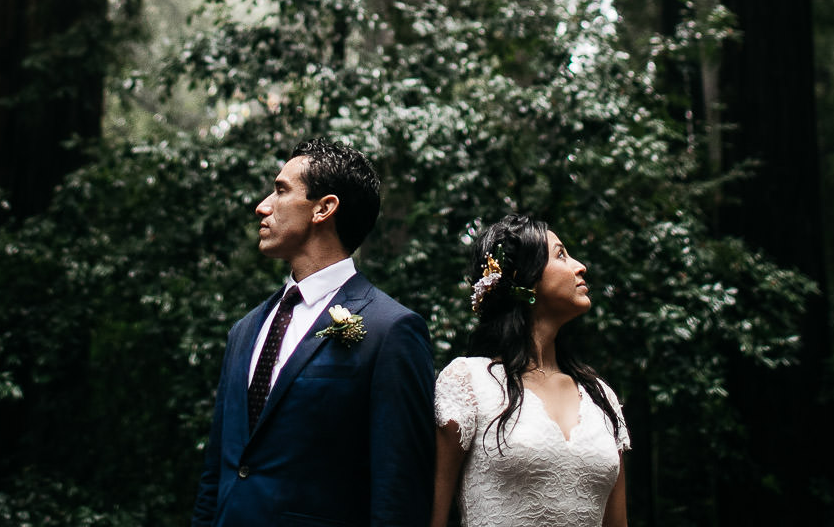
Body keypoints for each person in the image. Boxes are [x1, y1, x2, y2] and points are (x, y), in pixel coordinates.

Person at [192, 138, 435, 527]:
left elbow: (399, 492)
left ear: (324, 208)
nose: (262, 206)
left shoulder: (391, 330)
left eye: (281, 190)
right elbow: (216, 476)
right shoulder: (244, 331)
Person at [430, 214, 630, 527]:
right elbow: (434, 517)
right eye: (561, 255)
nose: (580, 266)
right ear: (526, 279)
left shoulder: (601, 397)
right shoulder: (469, 382)